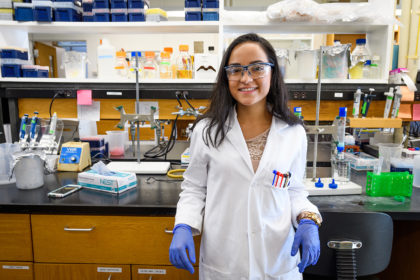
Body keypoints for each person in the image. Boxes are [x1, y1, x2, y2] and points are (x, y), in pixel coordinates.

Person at [169, 33, 321, 279]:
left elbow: (293, 190)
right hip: (225, 261)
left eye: (257, 68)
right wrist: (184, 225)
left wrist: (308, 220)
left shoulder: (293, 133)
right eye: (236, 69)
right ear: (225, 76)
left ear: (273, 72)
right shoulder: (207, 130)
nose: (246, 78)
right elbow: (194, 189)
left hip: (277, 259)